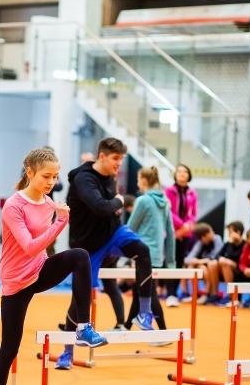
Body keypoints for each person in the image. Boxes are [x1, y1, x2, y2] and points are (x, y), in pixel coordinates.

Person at [0, 147, 108, 385]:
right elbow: (30, 246)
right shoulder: (13, 206)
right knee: (9, 349)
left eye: (55, 177)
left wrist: (57, 215)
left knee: (79, 256)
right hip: (16, 282)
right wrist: (61, 222)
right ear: (30, 173)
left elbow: (42, 251)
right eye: (46, 176)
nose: (51, 182)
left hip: (38, 272)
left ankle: (83, 327)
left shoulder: (47, 201)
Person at [54, 138, 156, 370]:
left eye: (121, 159)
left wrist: (114, 204)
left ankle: (144, 312)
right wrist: (118, 200)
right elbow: (100, 206)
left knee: (142, 250)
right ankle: (67, 353)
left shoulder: (110, 176)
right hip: (87, 245)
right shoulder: (83, 178)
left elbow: (108, 208)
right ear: (101, 156)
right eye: (115, 158)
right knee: (81, 299)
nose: (119, 164)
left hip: (112, 233)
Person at [123, 166, 175, 338]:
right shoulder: (165, 202)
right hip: (158, 254)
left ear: (144, 181)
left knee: (149, 293)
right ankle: (125, 328)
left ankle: (164, 334)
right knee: (141, 291)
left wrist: (121, 253)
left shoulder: (143, 201)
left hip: (143, 253)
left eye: (138, 179)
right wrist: (172, 261)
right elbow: (171, 232)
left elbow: (130, 229)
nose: (138, 183)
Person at [164, 163, 198, 307]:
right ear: (175, 175)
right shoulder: (168, 191)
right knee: (170, 262)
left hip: (186, 233)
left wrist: (186, 226)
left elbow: (194, 214)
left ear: (189, 175)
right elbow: (169, 211)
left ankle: (174, 293)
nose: (182, 174)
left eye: (185, 171)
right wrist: (180, 226)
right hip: (172, 232)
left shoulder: (193, 193)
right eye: (179, 171)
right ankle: (169, 293)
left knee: (179, 262)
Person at [205, 221, 244, 305]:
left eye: (230, 232)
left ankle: (230, 296)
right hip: (225, 267)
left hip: (239, 269)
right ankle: (215, 293)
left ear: (238, 232)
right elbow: (217, 256)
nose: (228, 235)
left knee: (225, 264)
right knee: (213, 264)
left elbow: (235, 256)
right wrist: (221, 258)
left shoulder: (244, 244)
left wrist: (230, 244)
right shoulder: (228, 244)